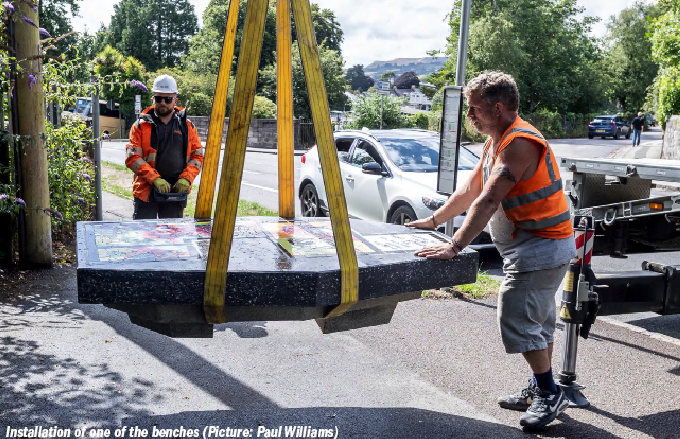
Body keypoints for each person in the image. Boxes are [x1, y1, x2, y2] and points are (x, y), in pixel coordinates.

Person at [407, 71, 576, 430]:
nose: (469, 115)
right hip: (537, 245)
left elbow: (487, 201)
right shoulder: (496, 140)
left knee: (517, 317)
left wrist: (454, 247)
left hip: (540, 247)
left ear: (497, 108)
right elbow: (470, 190)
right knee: (537, 324)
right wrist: (435, 220)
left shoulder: (519, 143)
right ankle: (540, 386)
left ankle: (549, 394)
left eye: (474, 109)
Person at [125, 74, 204, 220]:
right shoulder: (140, 126)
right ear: (153, 99)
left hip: (175, 194)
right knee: (144, 238)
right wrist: (155, 179)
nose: (163, 103)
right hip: (146, 193)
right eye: (159, 98)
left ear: (175, 100)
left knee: (172, 239)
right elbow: (132, 158)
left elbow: (197, 156)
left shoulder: (187, 126)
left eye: (168, 99)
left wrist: (186, 179)